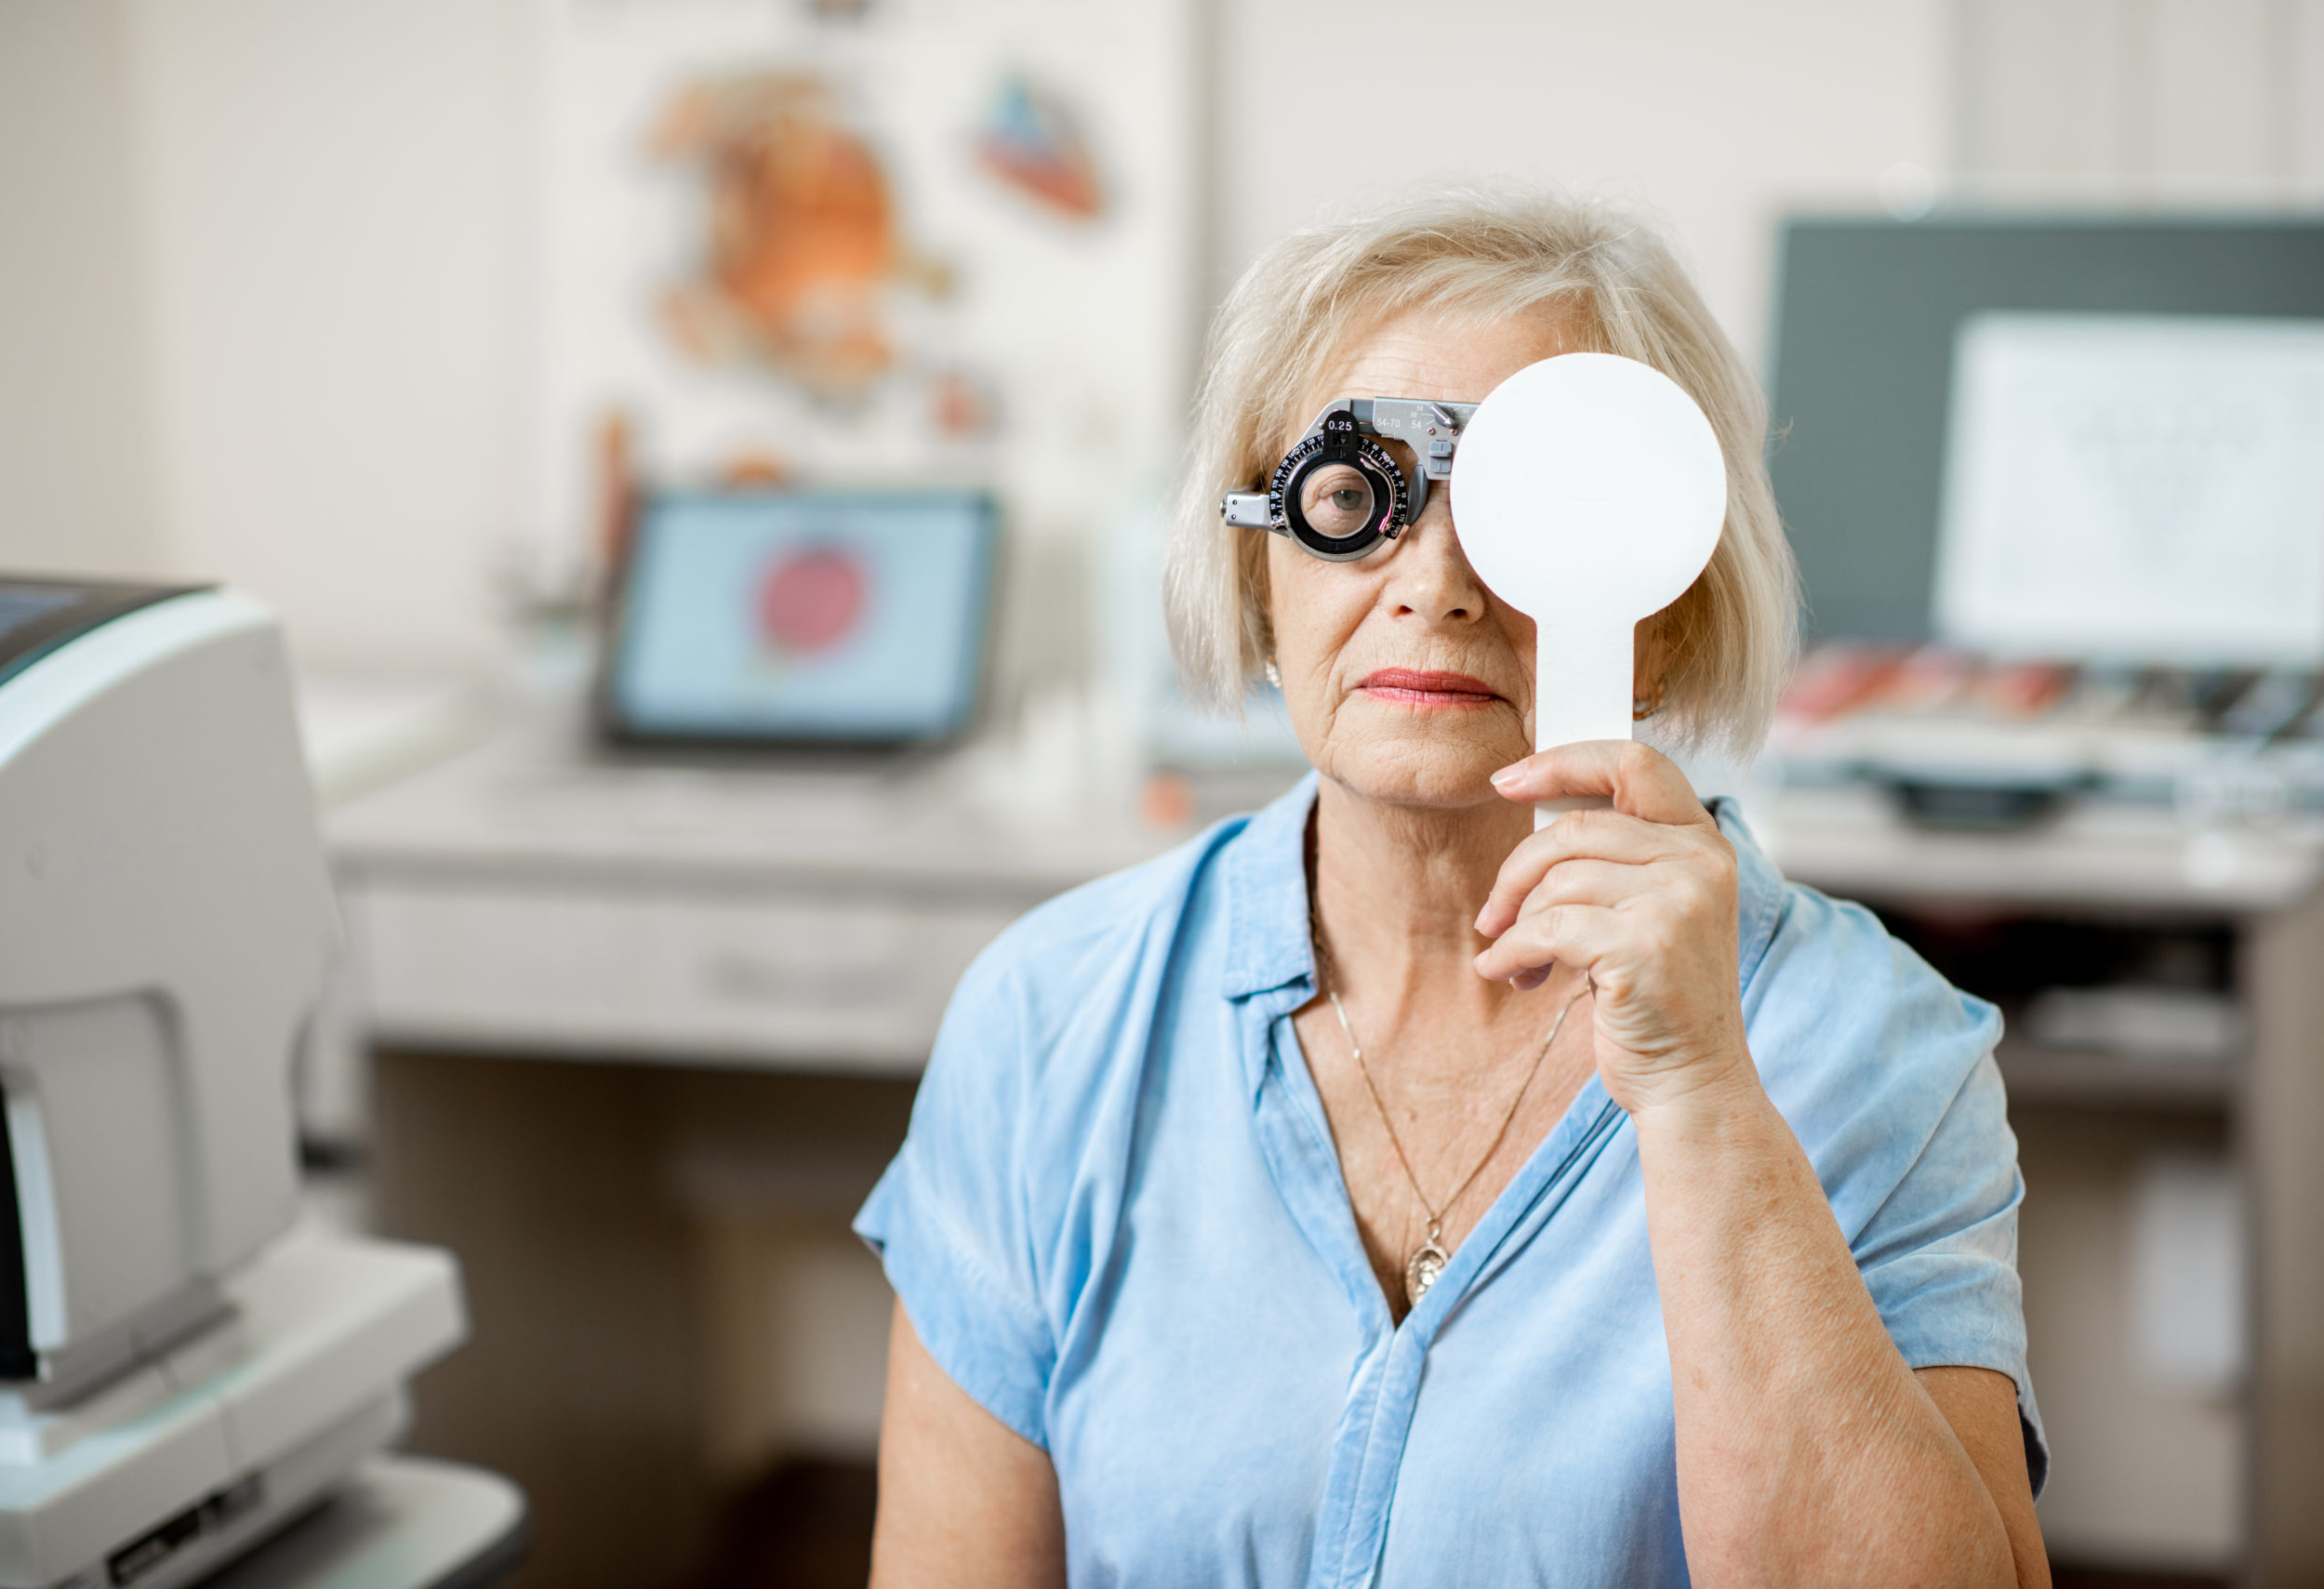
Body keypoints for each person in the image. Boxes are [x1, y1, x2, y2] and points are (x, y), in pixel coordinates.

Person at [856, 191, 2049, 1588]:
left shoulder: (1875, 1055)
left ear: (1661, 612)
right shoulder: (1055, 1019)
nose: (1435, 581)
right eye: (1354, 497)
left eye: (1531, 510)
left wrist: (1704, 1100)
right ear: (1261, 568)